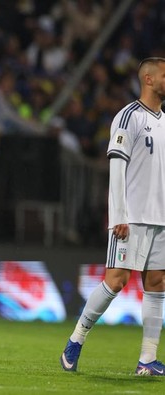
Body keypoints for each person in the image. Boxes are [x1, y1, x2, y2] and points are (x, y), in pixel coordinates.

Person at [60, 57, 165, 376]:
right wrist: (117, 213)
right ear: (148, 79)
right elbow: (117, 167)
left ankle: (147, 360)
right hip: (131, 216)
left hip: (160, 217)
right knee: (116, 280)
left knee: (158, 283)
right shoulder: (128, 117)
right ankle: (75, 342)